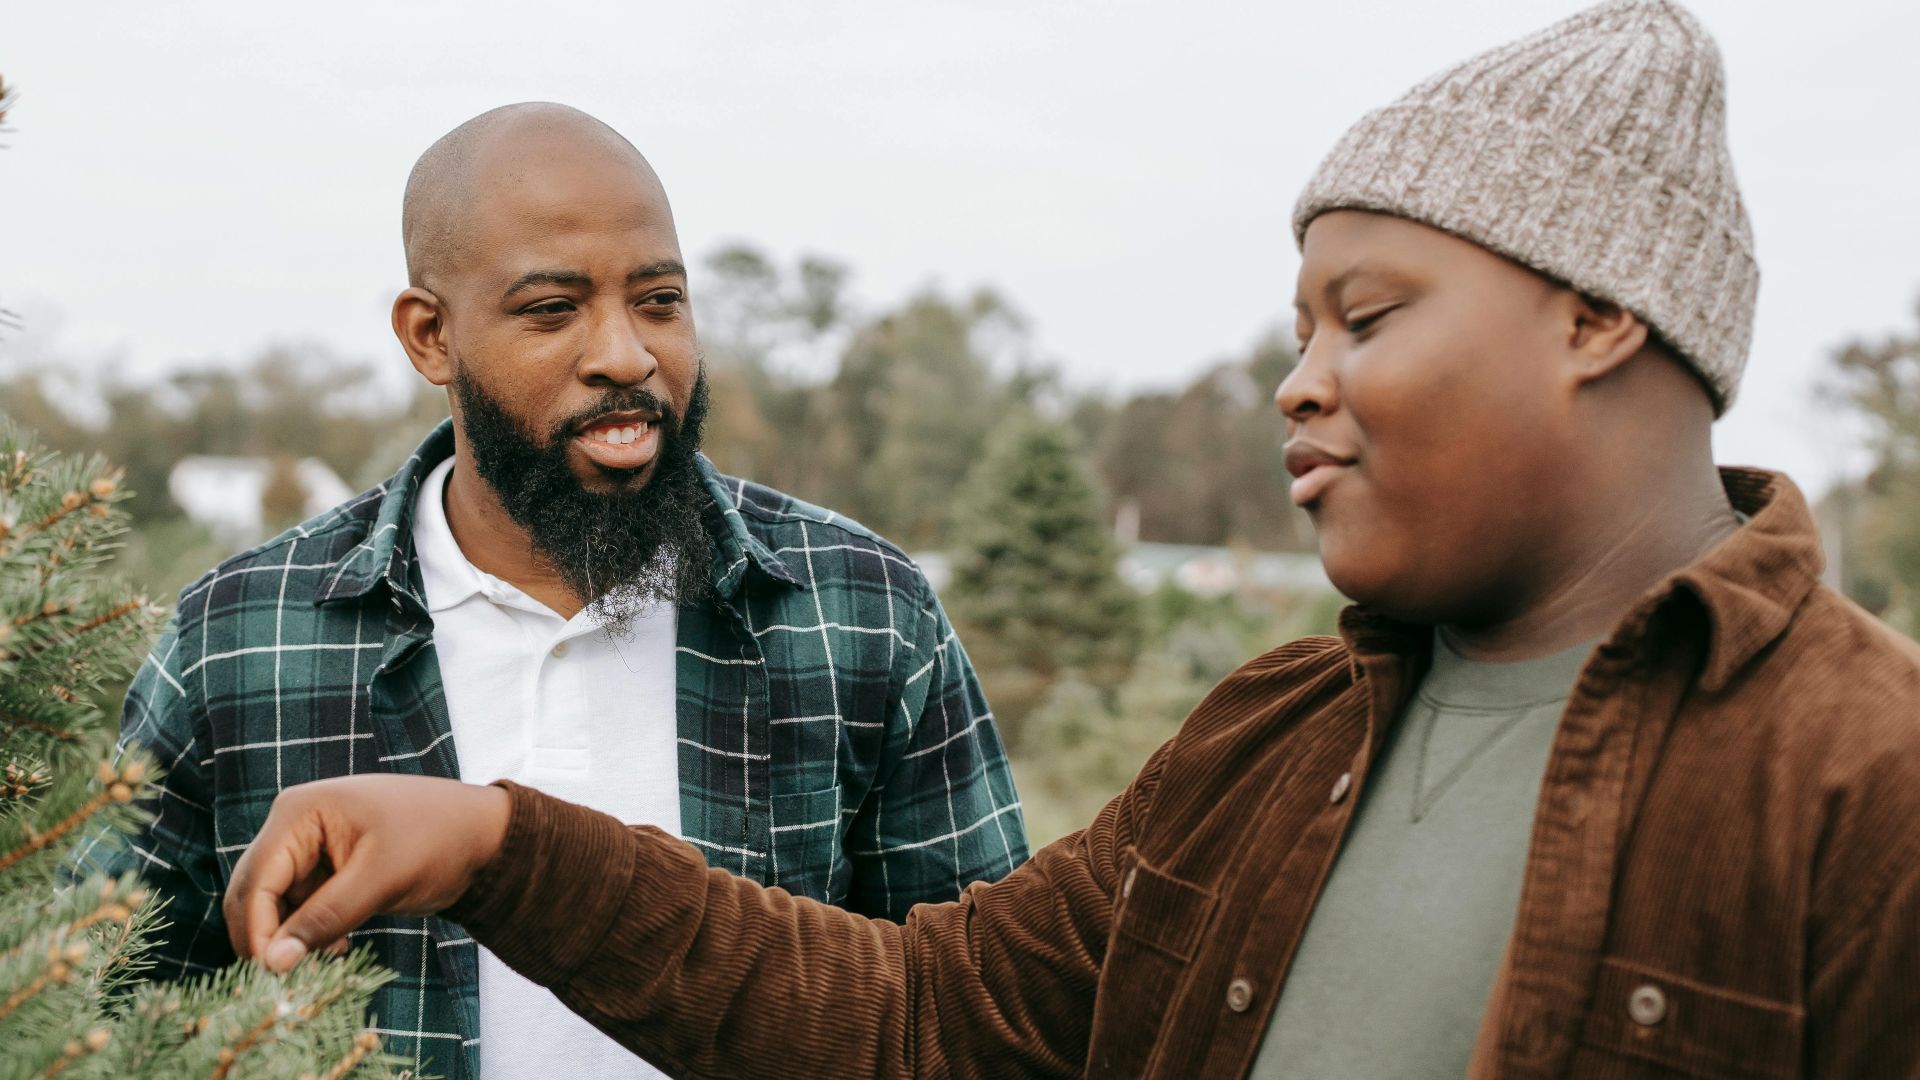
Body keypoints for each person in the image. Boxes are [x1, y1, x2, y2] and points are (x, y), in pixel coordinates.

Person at [229, 3, 1920, 1077]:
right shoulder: (1275, 743)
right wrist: (500, 849)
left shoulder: (1866, 788)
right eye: (1299, 328)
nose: (1298, 386)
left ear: (1604, 318)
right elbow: (926, 1019)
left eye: (1368, 318)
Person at [81, 104, 1027, 1080]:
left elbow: (990, 1014)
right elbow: (88, 1023)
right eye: (552, 308)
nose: (626, 354)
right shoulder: (239, 639)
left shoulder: (860, 610)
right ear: (430, 336)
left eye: (659, 300)